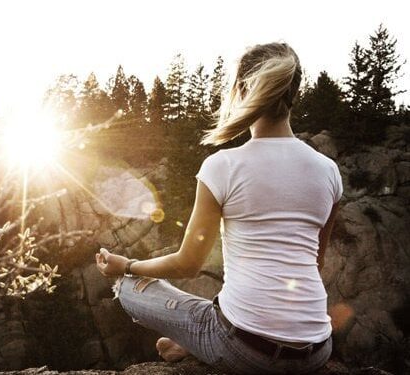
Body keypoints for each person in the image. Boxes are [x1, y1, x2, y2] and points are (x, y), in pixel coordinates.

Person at [95, 42, 342, 375]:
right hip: (316, 351)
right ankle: (197, 339)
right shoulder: (328, 170)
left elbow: (187, 264)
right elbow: (317, 260)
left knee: (127, 286)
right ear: (294, 92)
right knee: (229, 304)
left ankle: (202, 340)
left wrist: (127, 265)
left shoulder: (223, 165)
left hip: (246, 351)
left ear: (241, 90)